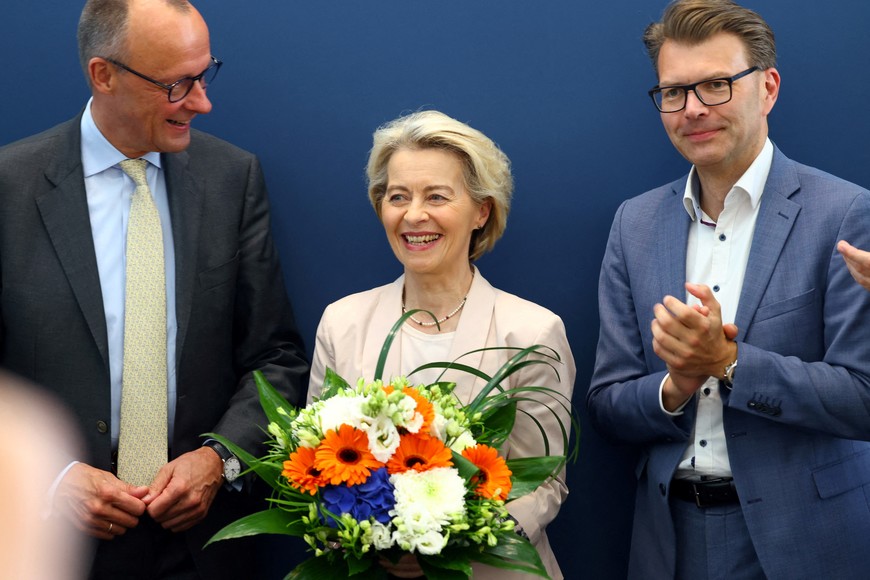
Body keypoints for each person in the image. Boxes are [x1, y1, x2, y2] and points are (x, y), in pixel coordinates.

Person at [0, 0, 308, 578]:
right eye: (177, 84)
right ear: (103, 74)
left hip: (203, 547)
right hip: (47, 545)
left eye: (205, 73)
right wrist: (54, 477)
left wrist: (220, 460)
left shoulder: (233, 180)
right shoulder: (8, 190)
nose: (202, 101)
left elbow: (276, 359)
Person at [586, 1, 870, 579]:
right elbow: (607, 406)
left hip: (806, 540)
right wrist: (676, 384)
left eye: (716, 84)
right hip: (668, 540)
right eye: (673, 92)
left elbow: (862, 399)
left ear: (767, 89)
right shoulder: (633, 225)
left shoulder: (845, 213)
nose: (693, 109)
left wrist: (728, 362)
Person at [307, 110, 575, 579]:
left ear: (481, 211)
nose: (414, 215)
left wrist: (445, 543)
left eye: (437, 196)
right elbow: (314, 465)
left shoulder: (533, 333)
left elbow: (545, 485)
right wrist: (366, 537)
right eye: (397, 197)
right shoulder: (341, 322)